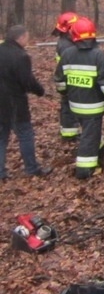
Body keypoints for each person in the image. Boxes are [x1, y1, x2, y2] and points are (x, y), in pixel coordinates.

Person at [55, 17, 104, 179]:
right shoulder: (98, 56)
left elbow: (60, 82)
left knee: (91, 131)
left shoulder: (67, 54)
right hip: (94, 106)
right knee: (89, 135)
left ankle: (100, 151)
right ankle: (84, 169)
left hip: (74, 104)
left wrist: (66, 94)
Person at [0, 25, 51, 179]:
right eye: (27, 38)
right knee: (25, 134)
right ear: (20, 38)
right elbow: (27, 81)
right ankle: (32, 168)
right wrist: (40, 91)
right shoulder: (21, 56)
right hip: (15, 103)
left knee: (2, 137)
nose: (27, 41)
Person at [52, 12, 81, 140]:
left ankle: (70, 132)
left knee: (69, 106)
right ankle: (69, 134)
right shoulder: (65, 45)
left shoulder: (67, 41)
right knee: (68, 107)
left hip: (68, 77)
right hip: (68, 78)